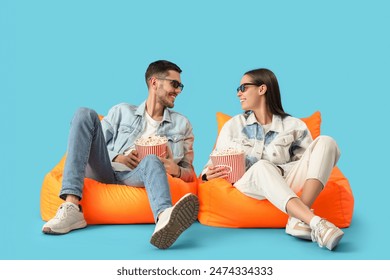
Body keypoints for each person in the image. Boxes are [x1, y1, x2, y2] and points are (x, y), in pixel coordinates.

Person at [42, 60, 199, 249]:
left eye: (181, 85)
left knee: (151, 160)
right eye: (175, 84)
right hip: (106, 169)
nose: (179, 90)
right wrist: (117, 156)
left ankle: (164, 217)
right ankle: (72, 207)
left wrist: (176, 170)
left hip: (139, 176)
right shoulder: (122, 111)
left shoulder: (182, 124)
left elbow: (190, 173)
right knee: (84, 114)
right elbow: (90, 143)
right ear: (154, 82)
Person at [201, 68, 344, 251]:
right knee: (262, 167)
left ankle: (296, 219)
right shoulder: (234, 125)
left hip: (286, 179)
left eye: (243, 87)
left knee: (326, 142)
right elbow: (211, 164)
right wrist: (207, 175)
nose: (239, 93)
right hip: (250, 182)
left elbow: (311, 165)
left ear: (262, 89)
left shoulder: (294, 125)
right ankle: (315, 222)